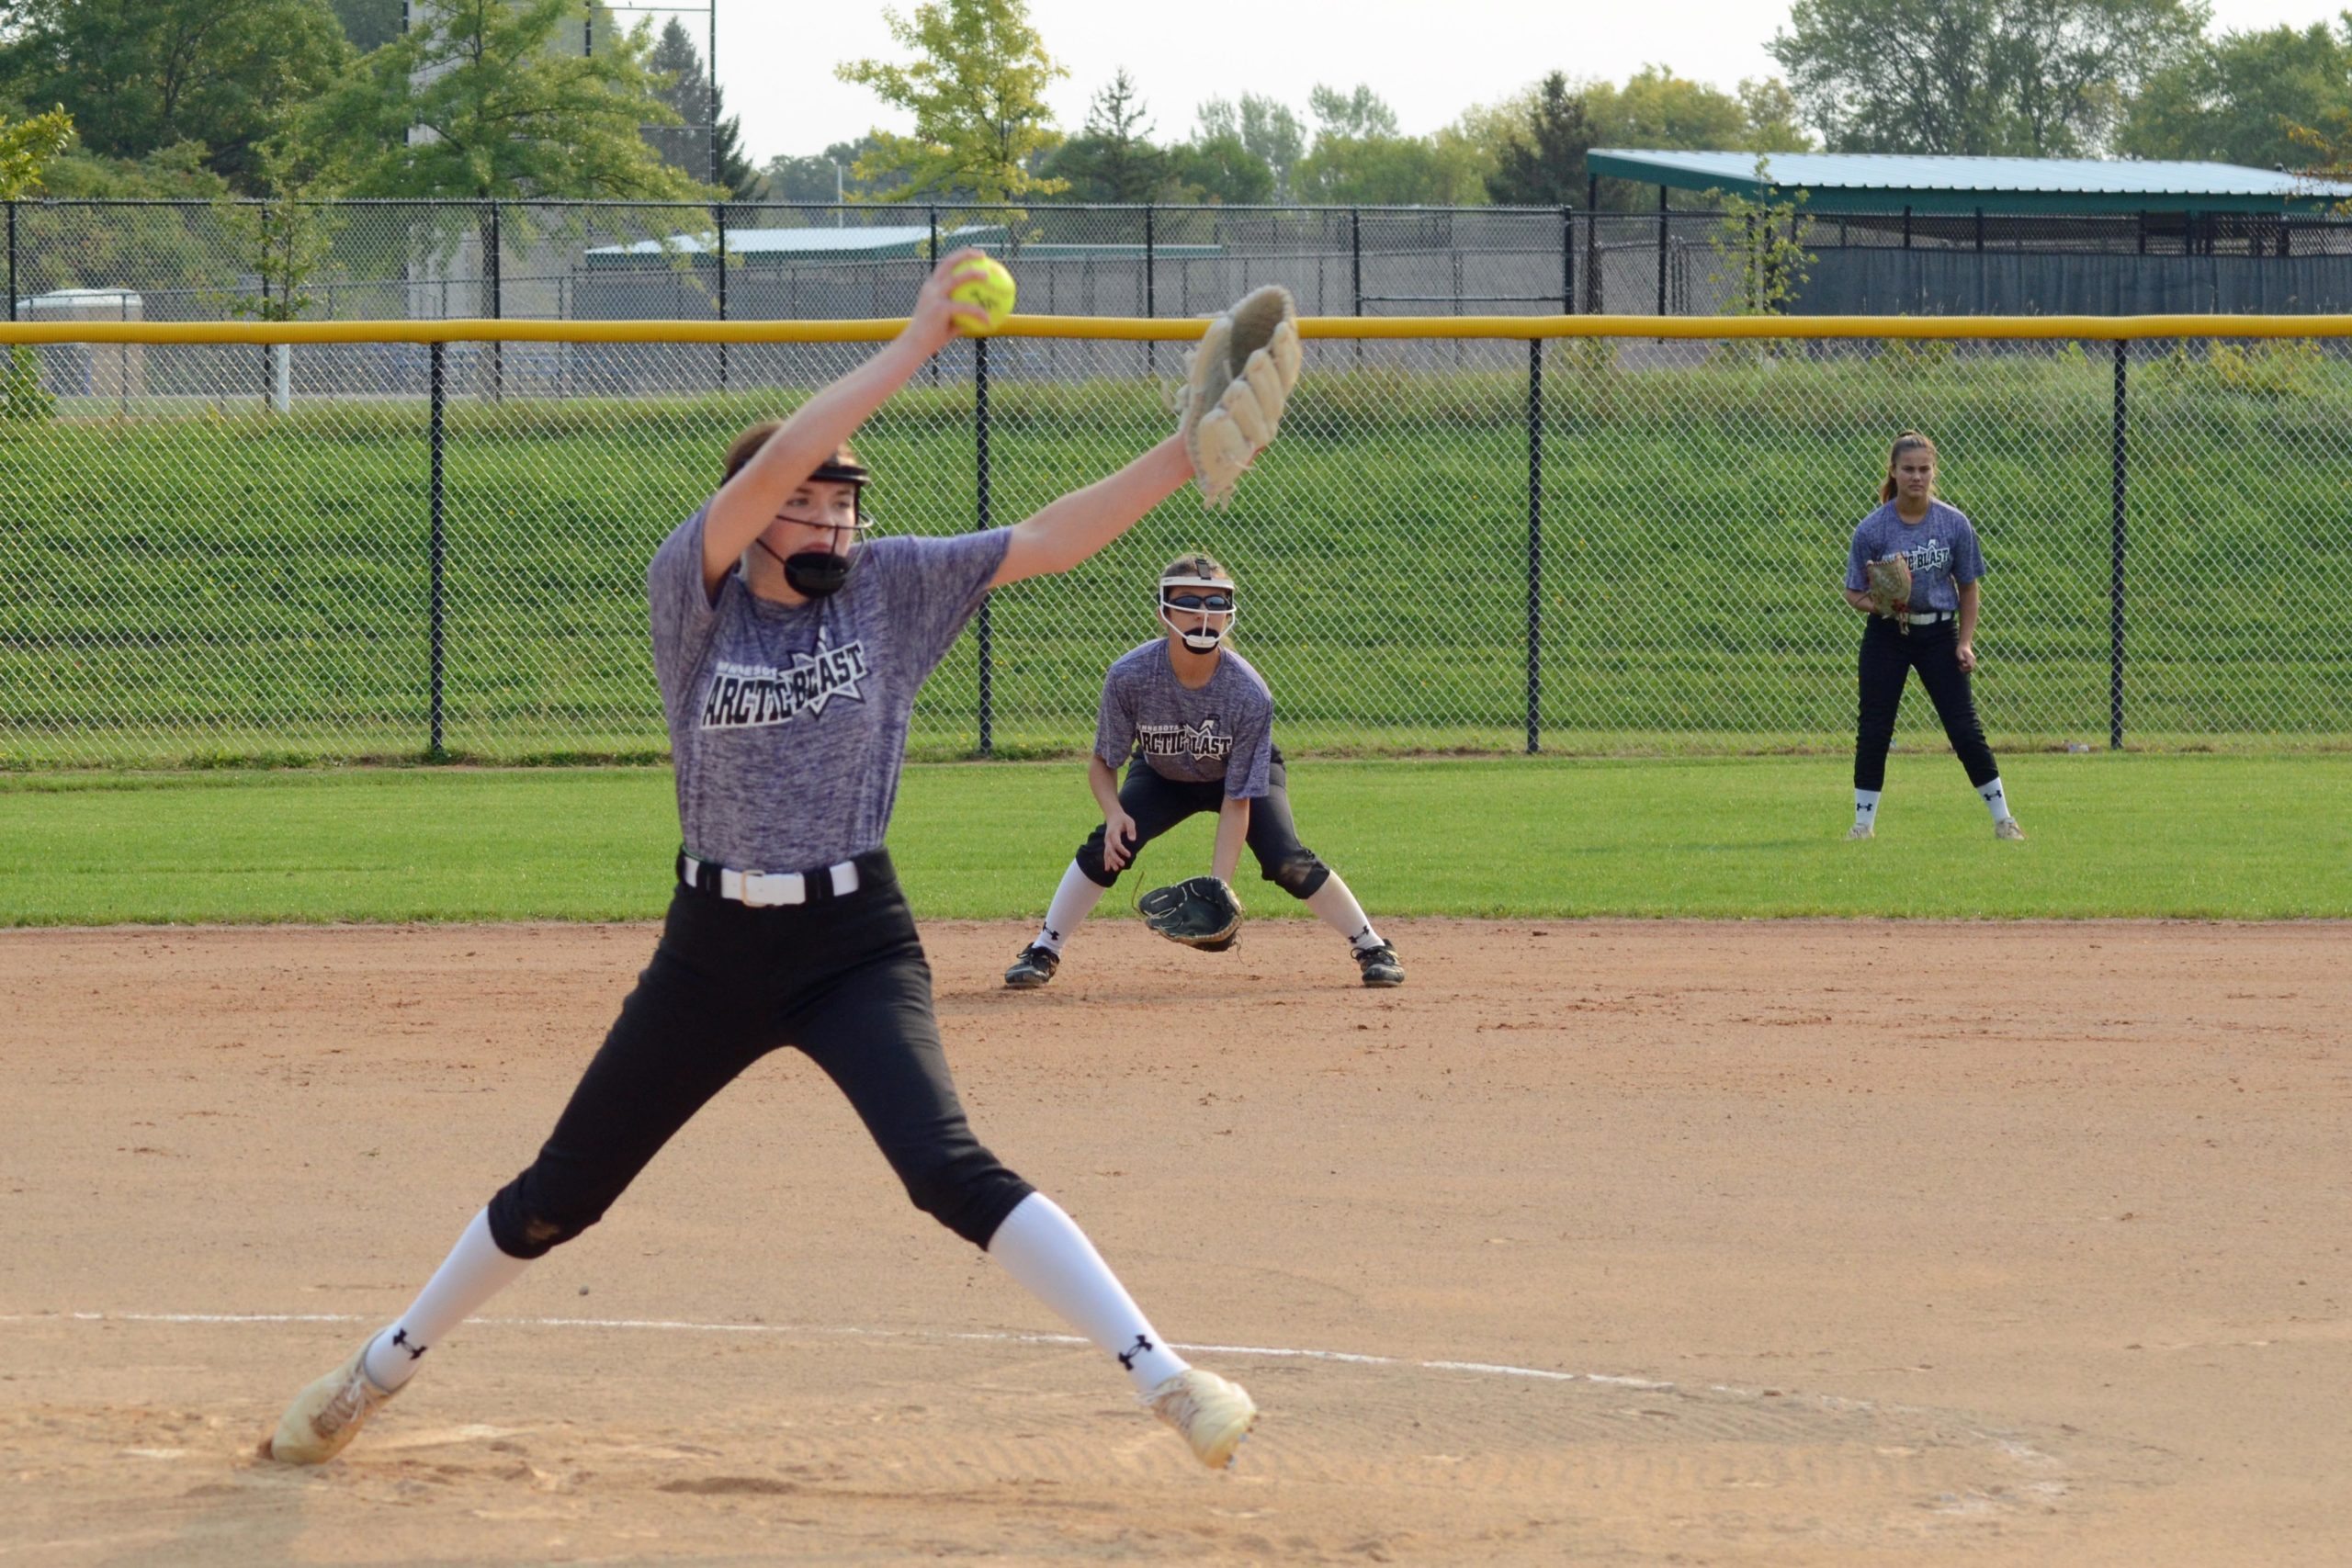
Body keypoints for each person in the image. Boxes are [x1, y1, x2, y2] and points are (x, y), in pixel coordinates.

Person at [260, 250, 1260, 1473]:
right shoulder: (695, 600)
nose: (835, 515)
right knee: (559, 1193)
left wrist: (1182, 453)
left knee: (947, 1167)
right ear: (750, 512)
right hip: (710, 949)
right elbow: (783, 459)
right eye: (810, 499)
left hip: (854, 941)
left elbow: (1049, 538)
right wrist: (913, 350)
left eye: (850, 503)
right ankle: (370, 1374)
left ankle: (1169, 1379)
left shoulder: (889, 591)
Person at [1003, 553, 1405, 990]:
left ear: (1228, 614)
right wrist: (1115, 813)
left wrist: (1219, 890)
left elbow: (1237, 800)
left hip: (1237, 775)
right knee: (1110, 844)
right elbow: (1103, 763)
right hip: (1162, 774)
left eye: (1216, 604)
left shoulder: (1249, 692)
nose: (1203, 615)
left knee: (1284, 857)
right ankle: (1044, 948)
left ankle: (1372, 947)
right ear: (1163, 612)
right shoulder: (1130, 676)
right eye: (1190, 602)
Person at [1842, 430, 2024, 841]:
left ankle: (2004, 820)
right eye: (1908, 469)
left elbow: (1969, 586)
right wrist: (1884, 604)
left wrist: (1965, 642)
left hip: (1940, 632)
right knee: (1875, 728)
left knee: (1963, 728)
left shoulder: (1953, 522)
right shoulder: (1872, 529)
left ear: (1933, 471)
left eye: (1924, 469)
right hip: (1888, 635)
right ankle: (1862, 825)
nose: (1916, 477)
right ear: (1893, 471)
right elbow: (1853, 590)